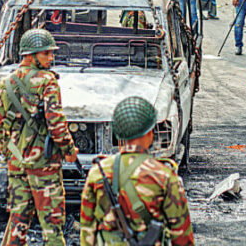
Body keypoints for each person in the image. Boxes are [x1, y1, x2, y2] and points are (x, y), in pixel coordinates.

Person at [0, 29, 79, 246]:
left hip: (16, 165)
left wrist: (13, 157)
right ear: (31, 55)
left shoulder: (5, 84)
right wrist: (69, 151)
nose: (51, 58)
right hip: (44, 166)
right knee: (51, 224)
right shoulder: (47, 82)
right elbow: (56, 124)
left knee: (17, 222)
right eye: (46, 54)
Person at [80, 96, 195, 246]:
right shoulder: (165, 176)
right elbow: (182, 237)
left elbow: (87, 230)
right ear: (150, 133)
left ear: (119, 136)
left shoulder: (98, 173)